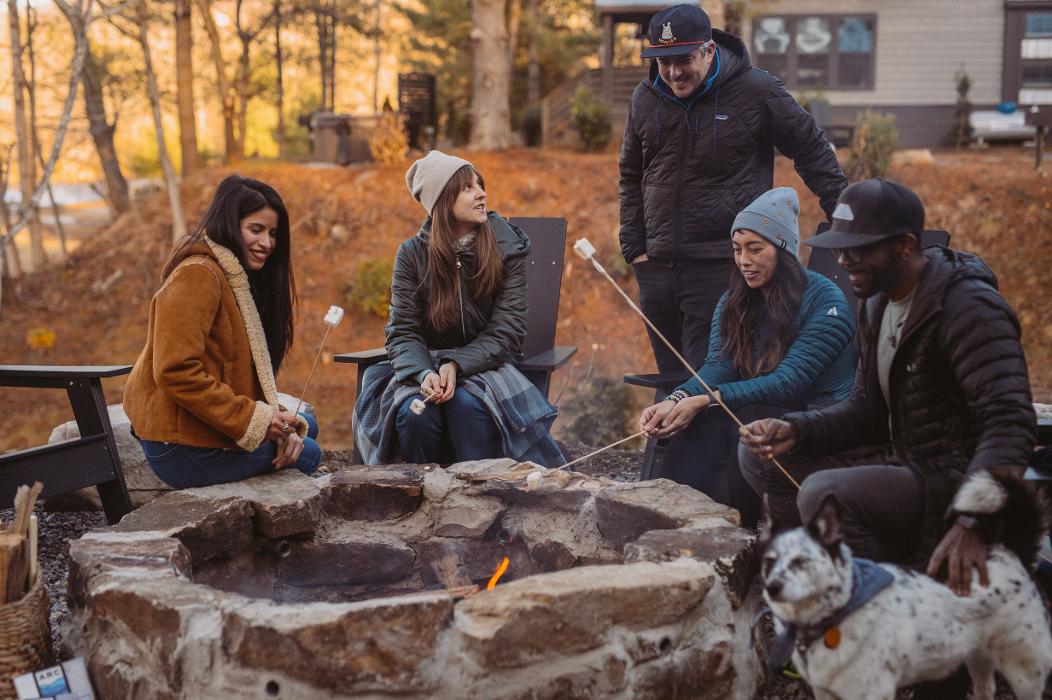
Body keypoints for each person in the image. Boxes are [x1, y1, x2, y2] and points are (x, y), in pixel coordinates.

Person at [739, 178, 1036, 582]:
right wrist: (797, 429)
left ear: (906, 245)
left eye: (859, 249)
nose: (844, 261)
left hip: (949, 476)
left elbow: (1009, 420)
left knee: (822, 493)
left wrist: (973, 521)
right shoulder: (877, 301)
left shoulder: (967, 308)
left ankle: (895, 595)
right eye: (841, 248)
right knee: (764, 459)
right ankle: (818, 581)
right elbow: (865, 408)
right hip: (901, 458)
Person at [620, 3, 847, 378]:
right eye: (664, 62)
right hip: (657, 266)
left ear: (708, 51)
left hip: (721, 264)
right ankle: (668, 439)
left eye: (684, 59)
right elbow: (630, 175)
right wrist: (636, 249)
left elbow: (811, 150)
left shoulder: (757, 91)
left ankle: (717, 439)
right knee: (670, 376)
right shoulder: (644, 98)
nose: (674, 72)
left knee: (710, 377)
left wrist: (844, 216)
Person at [637, 187, 855, 527]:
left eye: (755, 250)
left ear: (783, 250)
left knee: (744, 418)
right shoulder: (734, 301)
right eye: (737, 250)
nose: (744, 261)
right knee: (703, 419)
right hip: (764, 405)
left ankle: (744, 532)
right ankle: (666, 522)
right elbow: (720, 365)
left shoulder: (826, 302)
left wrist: (707, 400)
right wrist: (679, 398)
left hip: (820, 417)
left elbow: (789, 382)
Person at [353, 151, 563, 467]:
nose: (481, 194)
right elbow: (403, 330)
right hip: (425, 367)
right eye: (468, 188)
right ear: (442, 200)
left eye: (480, 185)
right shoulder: (412, 255)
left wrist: (455, 365)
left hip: (487, 365)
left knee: (467, 404)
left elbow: (507, 331)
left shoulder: (507, 248)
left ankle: (477, 499)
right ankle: (417, 497)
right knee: (415, 413)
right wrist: (424, 373)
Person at [124, 175, 321, 488]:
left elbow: (228, 369)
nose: (267, 243)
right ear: (229, 224)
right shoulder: (198, 276)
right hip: (179, 447)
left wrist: (273, 419)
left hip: (200, 427)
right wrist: (257, 420)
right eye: (256, 230)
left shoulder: (232, 278)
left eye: (272, 233)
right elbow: (175, 372)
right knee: (309, 453)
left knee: (305, 424)